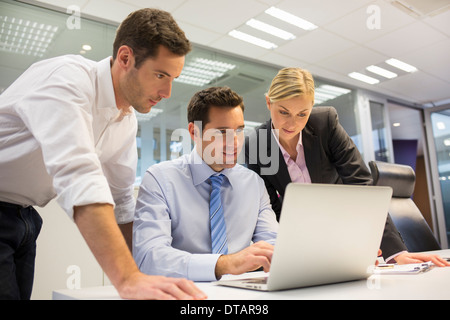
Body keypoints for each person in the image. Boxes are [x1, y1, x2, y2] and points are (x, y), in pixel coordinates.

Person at [0, 8, 206, 300]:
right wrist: (127, 279)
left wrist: (148, 274)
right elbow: (79, 176)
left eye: (173, 78)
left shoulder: (125, 119)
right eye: (160, 75)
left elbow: (121, 201)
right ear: (125, 58)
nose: (167, 91)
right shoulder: (67, 81)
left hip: (25, 219)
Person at [245, 67, 449, 267]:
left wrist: (395, 252)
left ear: (312, 107)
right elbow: (271, 210)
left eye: (302, 114)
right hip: (300, 239)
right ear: (268, 102)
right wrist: (296, 251)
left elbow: (361, 185)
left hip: (345, 227)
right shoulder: (257, 145)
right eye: (284, 112)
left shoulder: (325, 123)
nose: (292, 123)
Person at [133, 87, 278, 281]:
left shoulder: (254, 184)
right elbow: (149, 257)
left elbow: (274, 244)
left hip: (240, 295)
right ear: (194, 132)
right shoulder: (160, 179)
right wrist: (225, 264)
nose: (235, 142)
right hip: (184, 294)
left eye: (239, 130)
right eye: (222, 132)